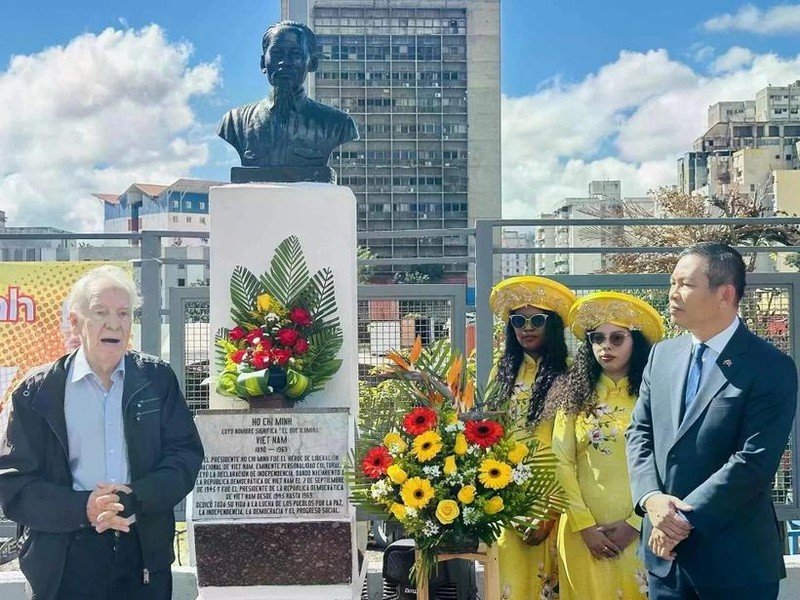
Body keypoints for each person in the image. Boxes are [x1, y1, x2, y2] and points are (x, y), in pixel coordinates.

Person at [0, 265, 205, 600]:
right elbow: (14, 484)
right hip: (64, 558)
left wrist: (136, 496)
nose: (114, 323)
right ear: (76, 322)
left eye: (124, 313)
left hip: (142, 555)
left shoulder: (157, 380)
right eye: (101, 312)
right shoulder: (38, 391)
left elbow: (184, 457)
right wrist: (85, 507)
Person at [626, 242, 798, 600]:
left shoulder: (770, 367)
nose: (673, 293)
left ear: (725, 294)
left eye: (685, 284)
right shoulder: (662, 355)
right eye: (672, 282)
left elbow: (753, 462)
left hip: (735, 564)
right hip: (666, 562)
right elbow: (639, 432)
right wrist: (652, 499)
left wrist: (678, 521)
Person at [550, 291, 664, 599]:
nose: (606, 347)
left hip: (642, 529)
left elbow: (665, 462)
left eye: (617, 338)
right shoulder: (573, 396)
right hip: (581, 534)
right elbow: (561, 461)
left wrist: (637, 523)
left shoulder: (654, 396)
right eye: (597, 338)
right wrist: (584, 525)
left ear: (635, 342)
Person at [488, 275, 576, 599]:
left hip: (554, 500)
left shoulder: (569, 374)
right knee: (510, 587)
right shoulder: (502, 374)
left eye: (536, 319)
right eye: (518, 320)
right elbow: (490, 438)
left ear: (551, 324)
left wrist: (550, 514)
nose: (526, 327)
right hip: (506, 499)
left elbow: (574, 448)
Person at [218, 20, 358, 169]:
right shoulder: (235, 122)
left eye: (296, 54)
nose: (284, 62)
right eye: (277, 53)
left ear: (312, 63)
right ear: (262, 63)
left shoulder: (338, 124)